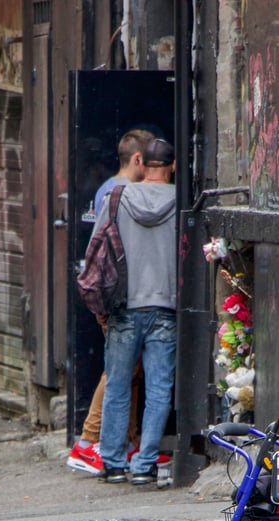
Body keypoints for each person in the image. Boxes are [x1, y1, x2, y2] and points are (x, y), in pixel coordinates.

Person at [67, 128, 157, 475]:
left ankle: (123, 442)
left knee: (128, 370)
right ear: (138, 160)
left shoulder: (110, 190)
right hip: (121, 297)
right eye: (148, 162)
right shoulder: (119, 193)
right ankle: (90, 441)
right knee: (119, 370)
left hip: (117, 295)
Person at [93, 138, 178, 485]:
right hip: (166, 306)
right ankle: (144, 465)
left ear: (142, 164)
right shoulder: (181, 201)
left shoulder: (117, 197)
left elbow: (95, 248)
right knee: (159, 389)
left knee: (117, 385)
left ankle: (113, 463)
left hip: (124, 305)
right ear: (173, 166)